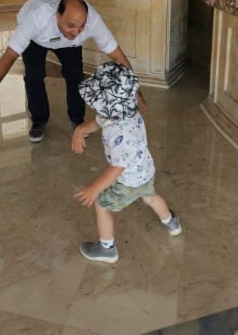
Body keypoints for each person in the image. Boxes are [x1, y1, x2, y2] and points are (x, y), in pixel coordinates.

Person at [0, 0, 146, 143]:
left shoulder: (92, 21)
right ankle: (39, 121)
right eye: (71, 25)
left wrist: (134, 88)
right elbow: (10, 54)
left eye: (81, 26)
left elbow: (117, 55)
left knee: (75, 74)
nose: (76, 32)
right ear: (57, 17)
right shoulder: (38, 16)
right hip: (36, 39)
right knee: (34, 74)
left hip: (68, 45)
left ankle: (77, 119)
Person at [72, 61, 181, 264]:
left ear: (107, 105)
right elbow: (98, 121)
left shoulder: (120, 133)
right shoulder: (125, 111)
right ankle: (172, 223)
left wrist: (95, 188)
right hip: (145, 170)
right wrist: (80, 130)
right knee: (150, 197)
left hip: (127, 181)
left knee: (101, 204)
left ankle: (107, 249)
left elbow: (118, 168)